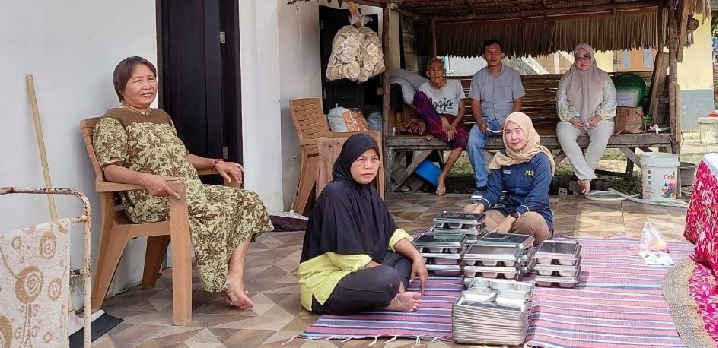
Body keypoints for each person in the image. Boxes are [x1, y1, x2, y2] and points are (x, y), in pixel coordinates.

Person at [93, 56, 272, 309]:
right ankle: (224, 280)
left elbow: (183, 157)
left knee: (247, 200)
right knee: (216, 210)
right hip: (153, 198)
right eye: (138, 81)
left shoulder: (161, 116)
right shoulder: (113, 120)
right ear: (122, 87)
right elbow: (111, 170)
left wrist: (215, 163)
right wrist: (147, 179)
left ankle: (235, 274)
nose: (147, 86)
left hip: (188, 191)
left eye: (151, 79)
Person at [299, 133, 427, 315]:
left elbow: (391, 233)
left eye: (374, 159)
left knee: (406, 256)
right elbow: (345, 257)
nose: (369, 166)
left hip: (359, 270)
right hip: (327, 280)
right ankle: (389, 298)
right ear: (348, 161)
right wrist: (389, 276)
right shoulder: (335, 195)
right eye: (361, 159)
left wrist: (417, 256)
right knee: (387, 277)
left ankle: (387, 295)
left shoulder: (368, 192)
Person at [463, 112, 553, 244]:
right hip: (506, 212)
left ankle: (498, 238)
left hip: (533, 214)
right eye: (508, 132)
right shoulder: (502, 157)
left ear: (527, 132)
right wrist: (480, 207)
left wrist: (511, 219)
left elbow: (537, 199)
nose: (513, 137)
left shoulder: (541, 159)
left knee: (530, 221)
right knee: (470, 211)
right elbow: (493, 191)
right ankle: (506, 239)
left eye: (518, 131)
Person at [555, 43, 617, 195]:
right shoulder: (567, 77)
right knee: (563, 131)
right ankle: (586, 176)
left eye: (586, 57)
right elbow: (561, 101)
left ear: (592, 57)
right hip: (575, 120)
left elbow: (610, 100)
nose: (582, 61)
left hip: (598, 119)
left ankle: (584, 178)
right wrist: (571, 118)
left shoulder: (602, 77)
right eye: (578, 58)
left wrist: (599, 116)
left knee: (602, 134)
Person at [467, 40, 525, 190]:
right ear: (483, 56)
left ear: (503, 54)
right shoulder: (478, 77)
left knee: (517, 140)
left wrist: (510, 122)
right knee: (472, 141)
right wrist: (480, 122)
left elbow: (518, 102)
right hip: (486, 120)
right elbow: (475, 103)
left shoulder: (512, 75)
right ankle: (482, 183)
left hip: (508, 120)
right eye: (489, 53)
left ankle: (514, 182)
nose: (493, 56)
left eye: (496, 52)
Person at [413, 57, 468, 196]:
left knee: (461, 140)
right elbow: (424, 111)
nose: (436, 73)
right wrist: (441, 119)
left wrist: (453, 125)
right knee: (418, 97)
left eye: (439, 70)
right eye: (433, 70)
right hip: (435, 121)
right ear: (428, 73)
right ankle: (435, 131)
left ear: (444, 72)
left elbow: (462, 110)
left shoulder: (455, 84)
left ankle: (442, 176)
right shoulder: (424, 88)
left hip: (453, 122)